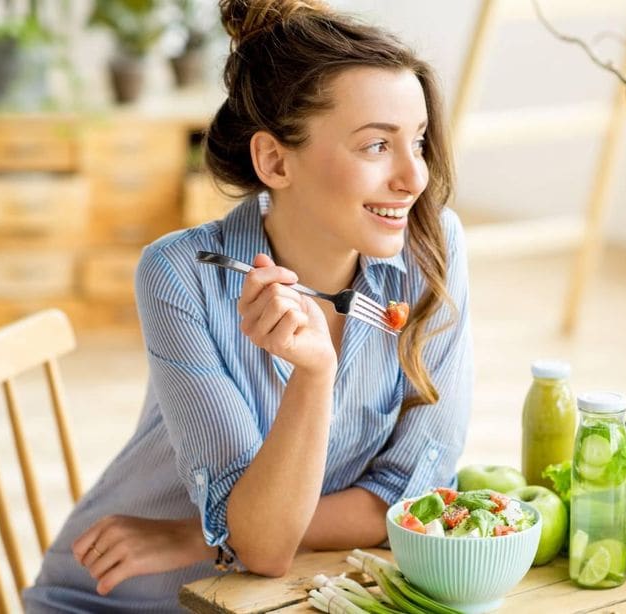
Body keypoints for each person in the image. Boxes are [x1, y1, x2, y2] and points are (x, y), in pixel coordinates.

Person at [24, 1, 472, 611]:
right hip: (120, 600)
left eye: (416, 142)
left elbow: (413, 494)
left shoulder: (432, 248)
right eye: (375, 147)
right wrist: (313, 374)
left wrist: (200, 537)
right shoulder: (182, 274)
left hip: (272, 595)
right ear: (274, 161)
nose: (412, 177)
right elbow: (262, 547)